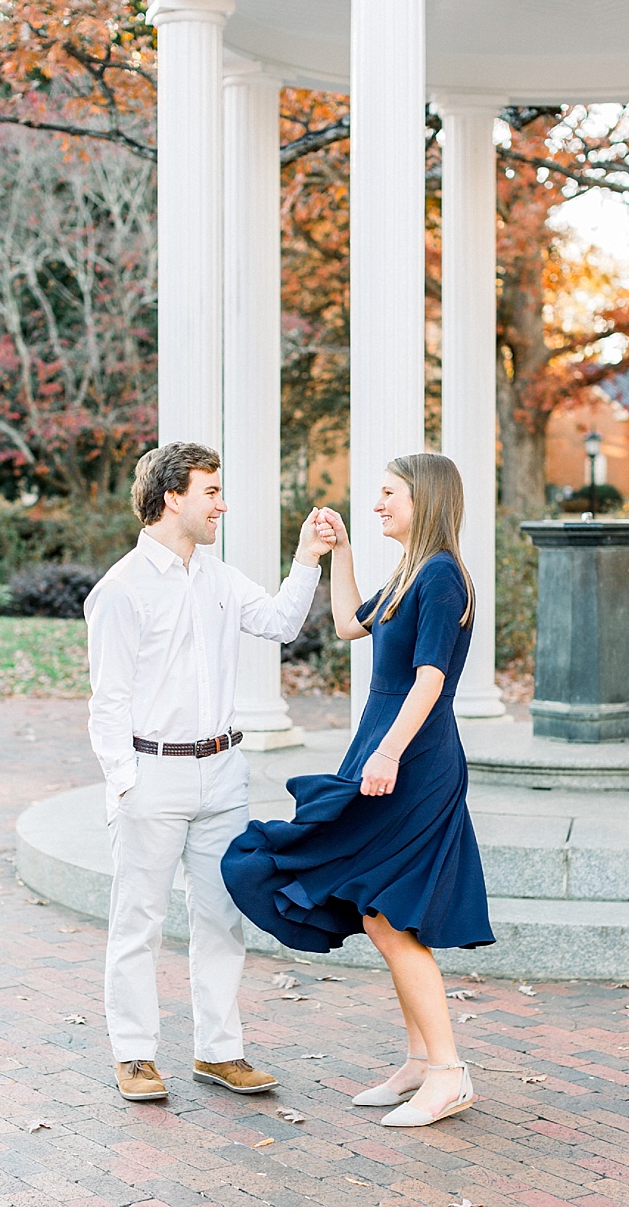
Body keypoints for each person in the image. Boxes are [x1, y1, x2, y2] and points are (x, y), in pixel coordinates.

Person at [222, 453, 495, 1128]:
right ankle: (418, 1061)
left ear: (423, 499)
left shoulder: (440, 578)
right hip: (388, 751)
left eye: (388, 494)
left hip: (413, 760)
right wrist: (337, 551)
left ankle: (450, 1073)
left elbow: (430, 679)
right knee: (381, 909)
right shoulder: (410, 573)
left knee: (388, 912)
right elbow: (348, 624)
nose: (377, 504)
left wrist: (389, 751)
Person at [84, 441, 332, 1104]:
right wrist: (123, 783)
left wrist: (307, 556)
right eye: (212, 491)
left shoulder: (220, 579)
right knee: (137, 921)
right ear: (173, 497)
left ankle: (219, 1053)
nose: (222, 503)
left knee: (222, 918)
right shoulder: (121, 589)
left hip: (223, 772)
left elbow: (282, 623)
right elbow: (106, 700)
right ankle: (134, 1054)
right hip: (152, 774)